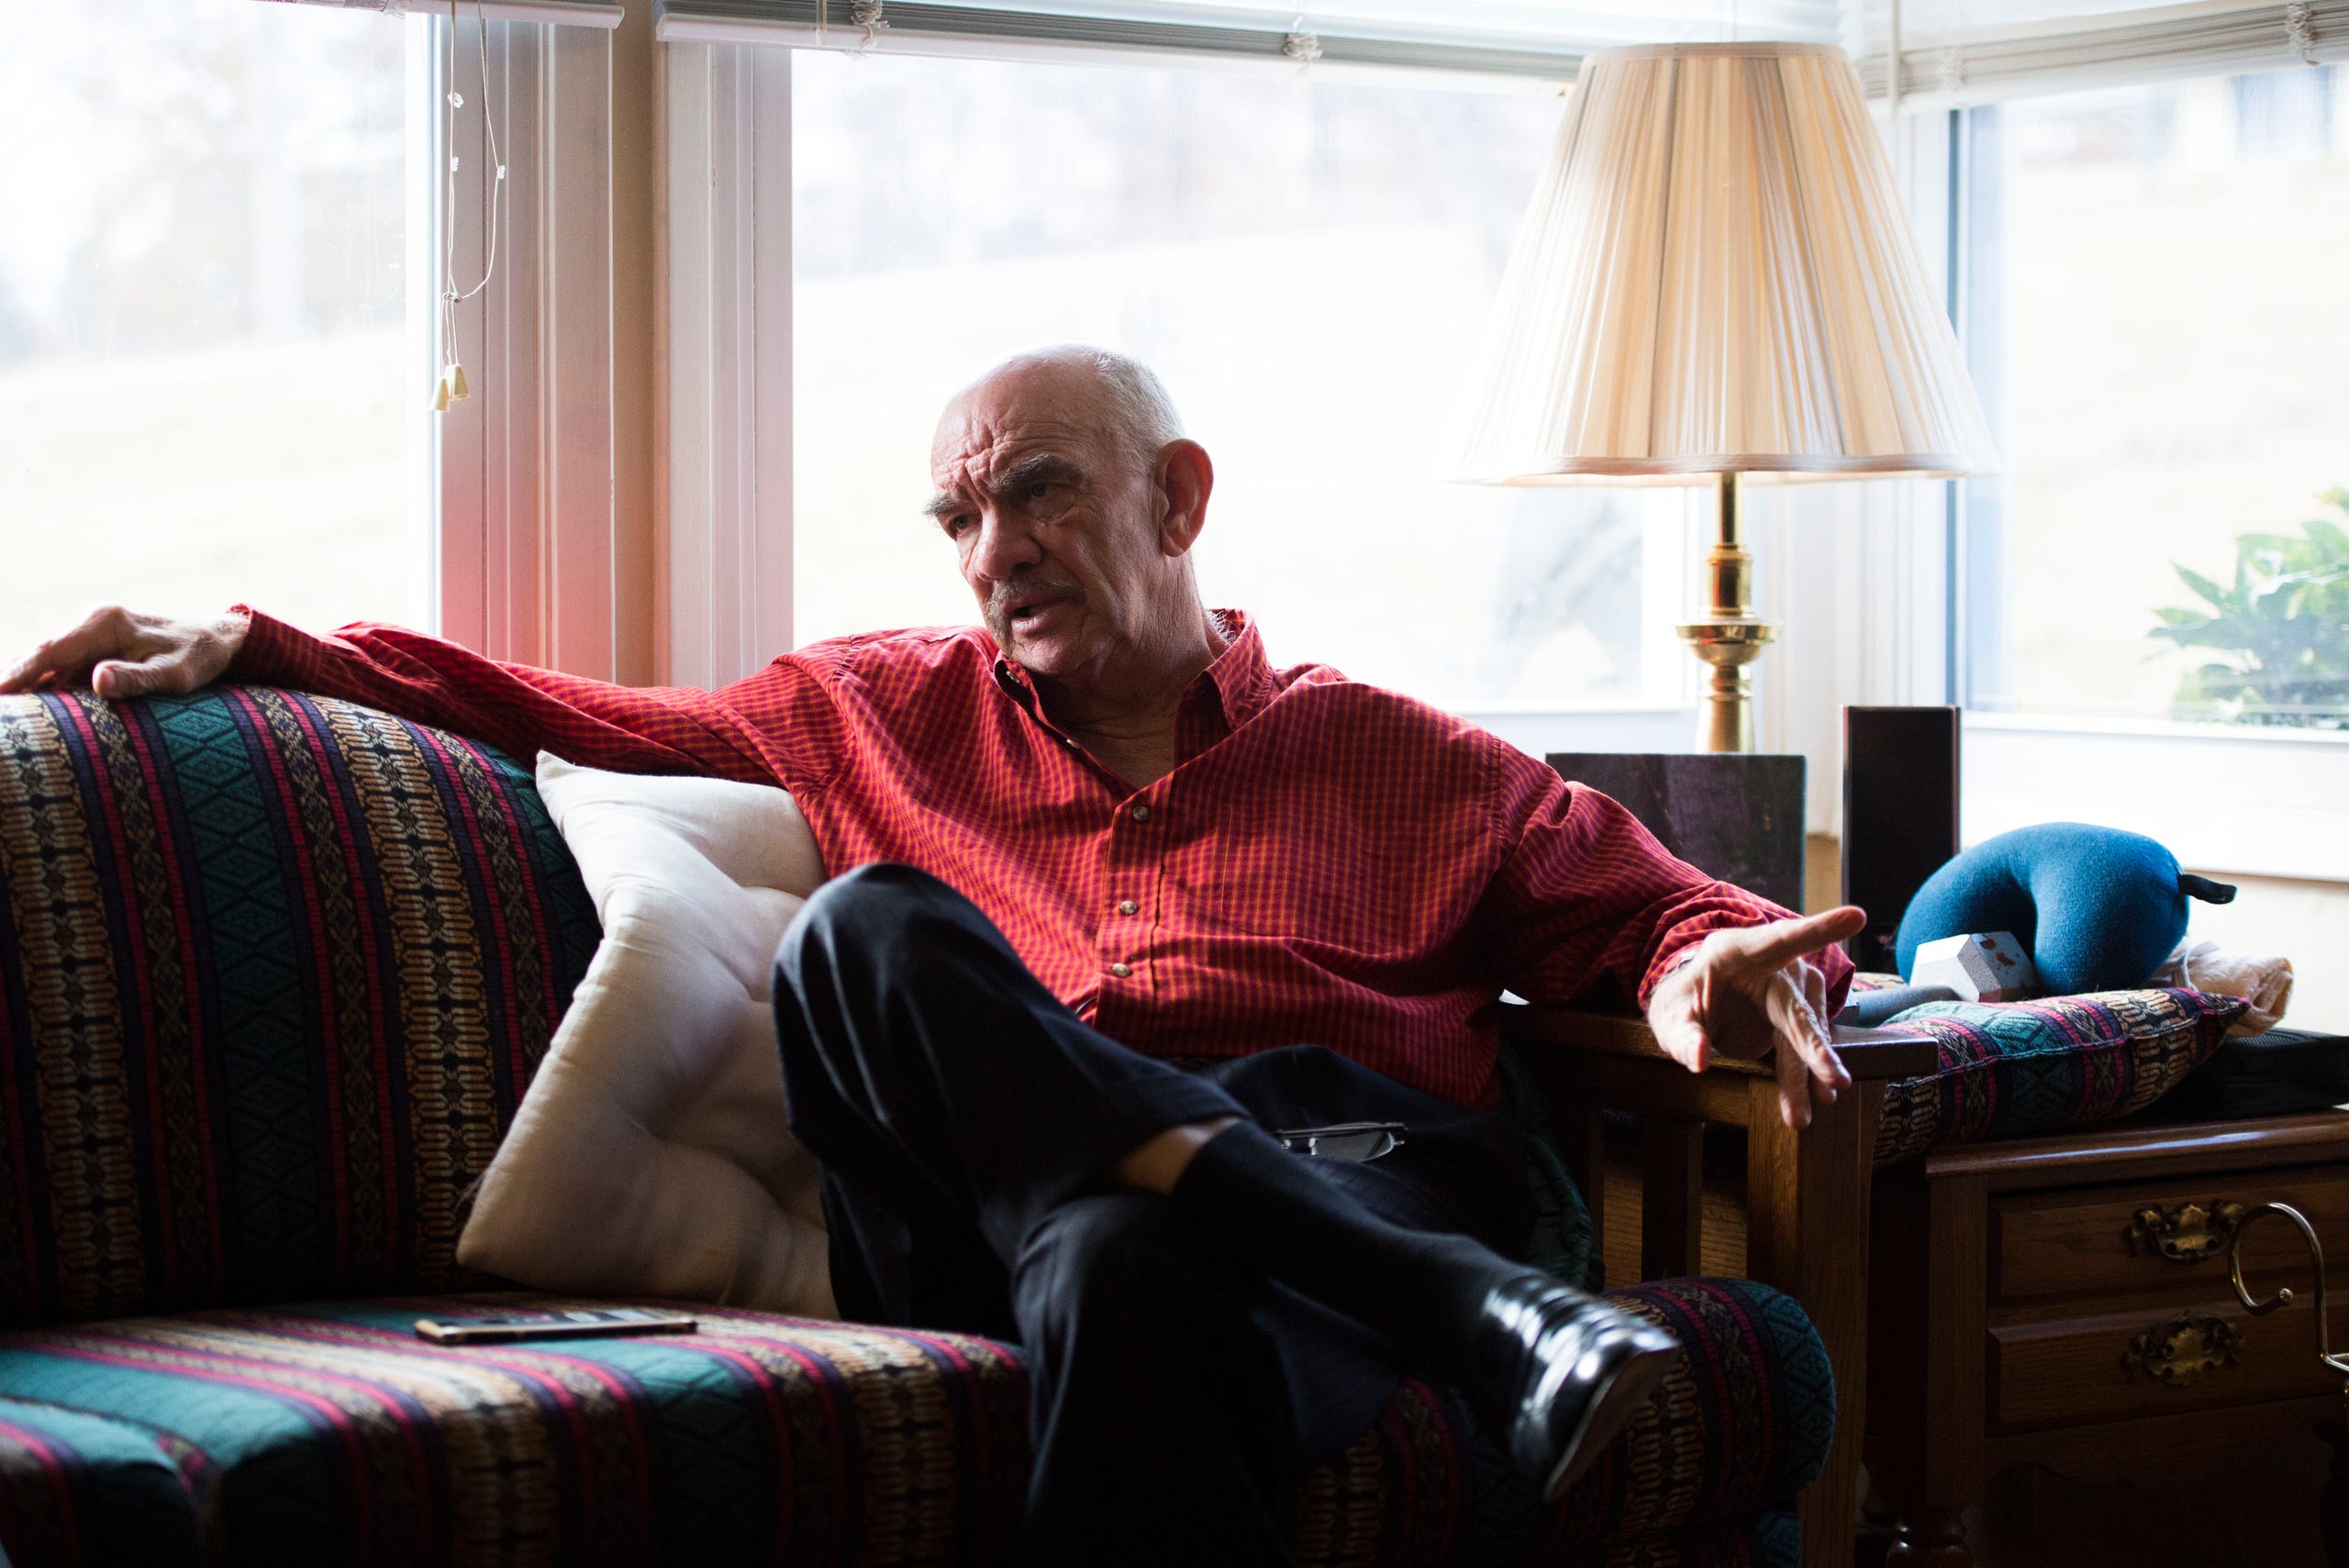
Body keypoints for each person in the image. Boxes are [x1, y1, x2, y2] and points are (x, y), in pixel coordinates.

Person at [3, 345, 1861, 1566]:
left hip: (1321, 1165)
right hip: (1004, 1208)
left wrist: (1707, 971)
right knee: (870, 936)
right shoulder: (870, 710)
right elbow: (549, 707)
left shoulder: (1398, 757)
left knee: (1132, 1256)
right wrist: (259, 636)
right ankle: (1474, 1314)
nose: (995, 553)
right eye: (962, 517)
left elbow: (1664, 912)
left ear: (1178, 496)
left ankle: (1356, 1261)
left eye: (1039, 493)